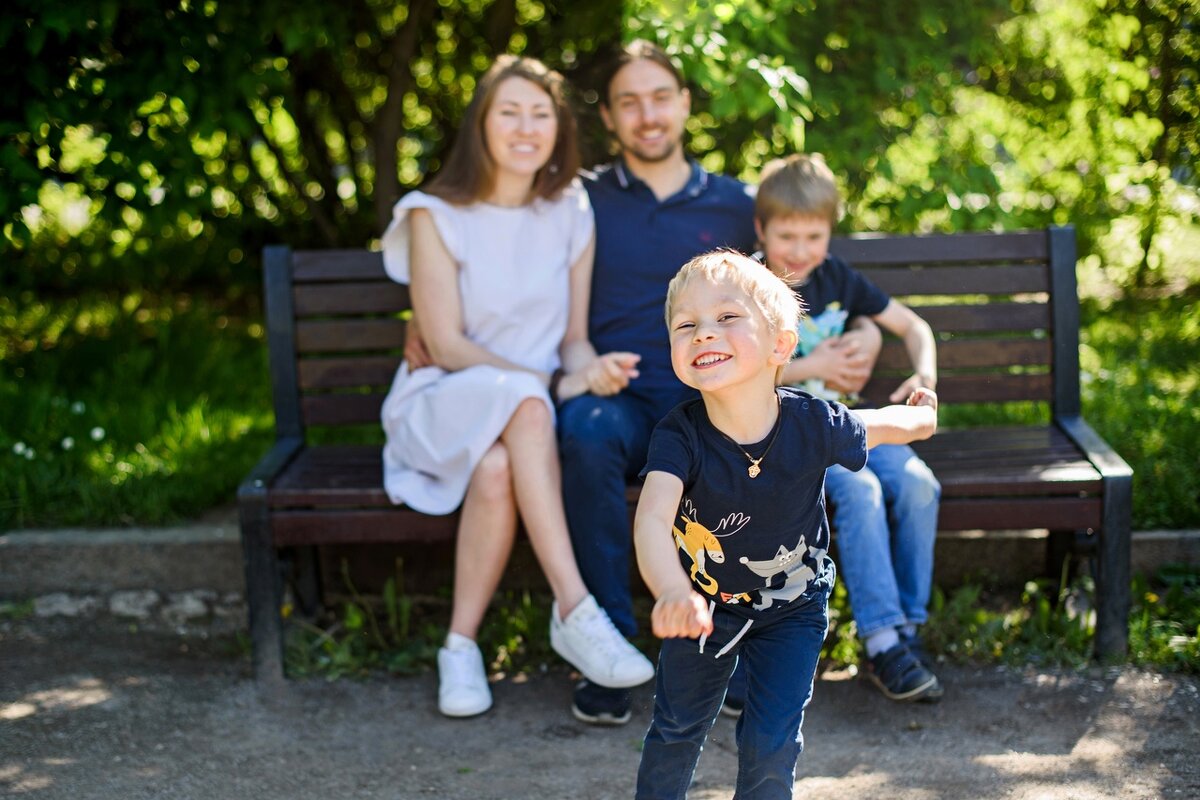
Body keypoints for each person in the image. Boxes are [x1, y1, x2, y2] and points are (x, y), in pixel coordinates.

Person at [378, 55, 654, 719]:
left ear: (559, 130)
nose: (526, 128)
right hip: (441, 401)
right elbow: (443, 345)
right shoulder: (432, 214)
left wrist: (590, 371)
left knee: (500, 466)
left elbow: (573, 339)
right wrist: (557, 384)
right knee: (527, 405)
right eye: (510, 112)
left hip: (521, 422)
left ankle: (459, 646)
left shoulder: (569, 208)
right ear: (481, 124)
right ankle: (573, 607)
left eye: (541, 115)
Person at [632, 250, 938, 799]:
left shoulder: (812, 421)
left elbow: (876, 425)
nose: (704, 333)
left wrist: (921, 417)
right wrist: (672, 591)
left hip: (793, 608)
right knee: (676, 729)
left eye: (727, 318)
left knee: (771, 743)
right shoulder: (678, 437)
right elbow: (653, 518)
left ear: (780, 344)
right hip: (705, 608)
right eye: (686, 325)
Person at [753, 153, 944, 703]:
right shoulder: (749, 285)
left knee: (917, 483)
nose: (800, 250)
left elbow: (914, 326)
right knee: (859, 490)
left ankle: (907, 629)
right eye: (786, 234)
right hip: (791, 438)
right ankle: (882, 641)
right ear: (761, 229)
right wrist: (813, 367)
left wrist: (923, 372)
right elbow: (733, 364)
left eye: (814, 235)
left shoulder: (837, 279)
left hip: (852, 425)